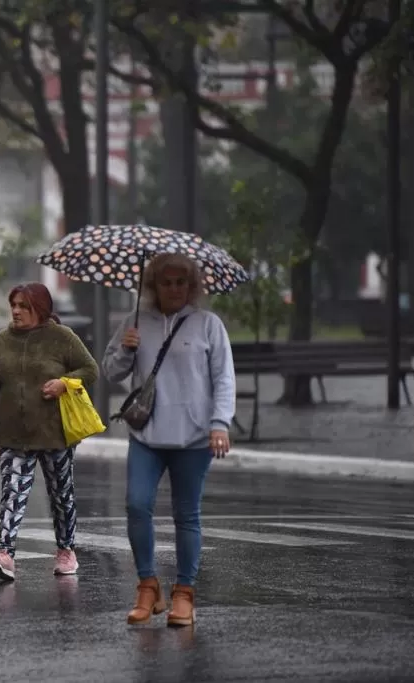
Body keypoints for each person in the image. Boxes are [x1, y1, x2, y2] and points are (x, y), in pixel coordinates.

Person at [102, 252, 235, 628]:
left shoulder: (209, 325)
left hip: (193, 437)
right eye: (166, 282)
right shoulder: (135, 321)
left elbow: (224, 378)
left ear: (191, 286)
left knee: (186, 514)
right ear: (153, 285)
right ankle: (147, 586)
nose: (173, 288)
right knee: (136, 505)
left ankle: (184, 594)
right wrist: (127, 348)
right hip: (146, 433)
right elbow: (111, 372)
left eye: (181, 282)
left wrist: (219, 423)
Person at [0, 282, 99, 582]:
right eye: (14, 305)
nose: (16, 311)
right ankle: (4, 554)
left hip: (54, 434)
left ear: (41, 309)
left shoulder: (62, 337)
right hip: (13, 435)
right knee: (12, 494)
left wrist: (64, 382)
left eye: (24, 306)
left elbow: (90, 369)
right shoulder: (3, 340)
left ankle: (66, 550)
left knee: (61, 495)